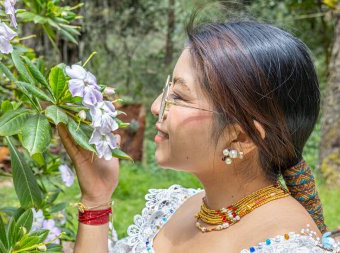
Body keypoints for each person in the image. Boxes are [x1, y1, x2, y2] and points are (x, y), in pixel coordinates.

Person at [57, 17, 340, 253]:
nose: (157, 107)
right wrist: (96, 197)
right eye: (169, 88)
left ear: (241, 138)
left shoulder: (285, 245)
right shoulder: (175, 207)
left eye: (178, 96)